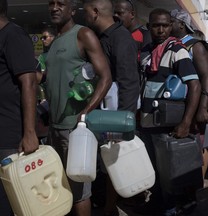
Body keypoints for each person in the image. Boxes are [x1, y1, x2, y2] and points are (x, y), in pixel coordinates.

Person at [45, 0, 112, 215]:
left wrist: (86, 112)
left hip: (75, 129)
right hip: (53, 127)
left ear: (72, 10)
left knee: (79, 191)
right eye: (51, 3)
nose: (55, 7)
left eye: (61, 4)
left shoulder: (83, 34)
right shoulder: (55, 41)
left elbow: (106, 77)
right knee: (59, 185)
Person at [137, 8, 201, 215]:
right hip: (147, 121)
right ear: (149, 27)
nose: (161, 30)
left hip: (166, 124)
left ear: (172, 26)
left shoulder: (177, 50)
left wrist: (185, 122)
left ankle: (171, 208)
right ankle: (157, 204)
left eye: (165, 25)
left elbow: (195, 85)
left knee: (168, 172)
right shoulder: (146, 51)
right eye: (156, 25)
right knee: (152, 168)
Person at [82, 0, 139, 215]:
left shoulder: (120, 37)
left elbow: (129, 81)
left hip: (115, 111)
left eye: (86, 12)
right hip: (102, 109)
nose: (84, 15)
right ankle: (103, 201)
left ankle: (110, 208)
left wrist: (124, 121)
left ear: (95, 12)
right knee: (102, 160)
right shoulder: (101, 37)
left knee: (113, 160)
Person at [0, 0, 39, 215]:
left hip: (7, 136)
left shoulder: (13, 35)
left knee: (7, 202)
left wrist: (30, 132)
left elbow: (29, 82)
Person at [170, 9, 208, 182]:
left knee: (195, 148)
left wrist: (203, 107)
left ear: (181, 24)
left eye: (170, 22)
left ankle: (196, 187)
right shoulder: (173, 44)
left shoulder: (195, 45)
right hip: (178, 107)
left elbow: (206, 77)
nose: (166, 26)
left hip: (193, 107)